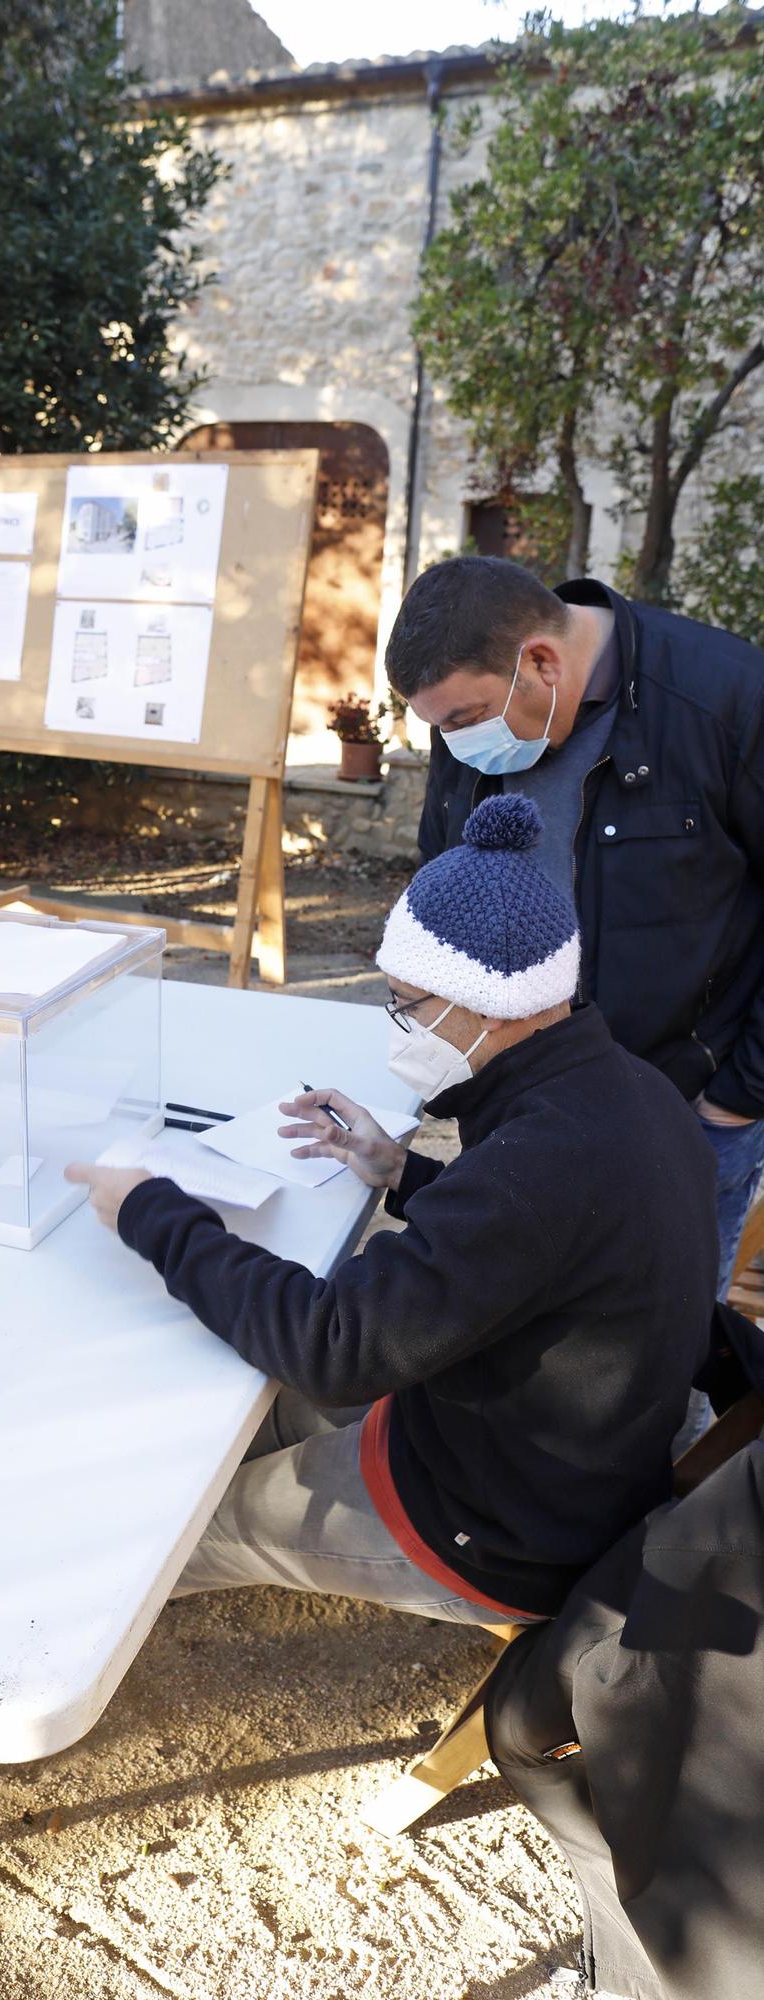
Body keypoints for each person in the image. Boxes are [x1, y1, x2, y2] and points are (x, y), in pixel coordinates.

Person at [65, 797, 718, 1626]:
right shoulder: (625, 1092)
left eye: (405, 1001)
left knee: (181, 1530)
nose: (396, 1021)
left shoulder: (539, 1165)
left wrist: (150, 1212)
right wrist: (401, 1170)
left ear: (481, 1006)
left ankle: (41, 1637)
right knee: (237, 1406)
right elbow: (536, 1247)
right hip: (552, 1447)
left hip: (499, 1526)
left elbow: (333, 1347)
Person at [384, 554, 764, 1298]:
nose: (453, 742)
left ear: (540, 662)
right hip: (513, 1096)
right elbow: (444, 874)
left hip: (685, 1102)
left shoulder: (724, 700)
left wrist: (740, 1092)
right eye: (439, 726)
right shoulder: (467, 711)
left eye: (461, 720)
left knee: (659, 1336)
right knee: (520, 1311)